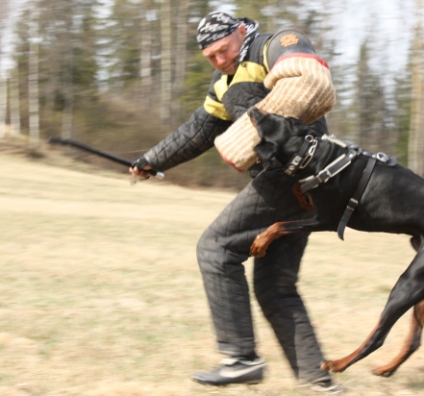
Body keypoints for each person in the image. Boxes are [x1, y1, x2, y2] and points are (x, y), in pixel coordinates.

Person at [129, 11, 341, 393]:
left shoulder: (275, 45)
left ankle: (240, 358)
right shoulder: (224, 80)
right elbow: (200, 129)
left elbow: (307, 79)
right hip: (305, 189)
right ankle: (318, 381)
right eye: (210, 57)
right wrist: (152, 160)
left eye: (223, 51)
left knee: (216, 249)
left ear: (241, 31)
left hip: (293, 173)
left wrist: (252, 126)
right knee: (276, 287)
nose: (220, 60)